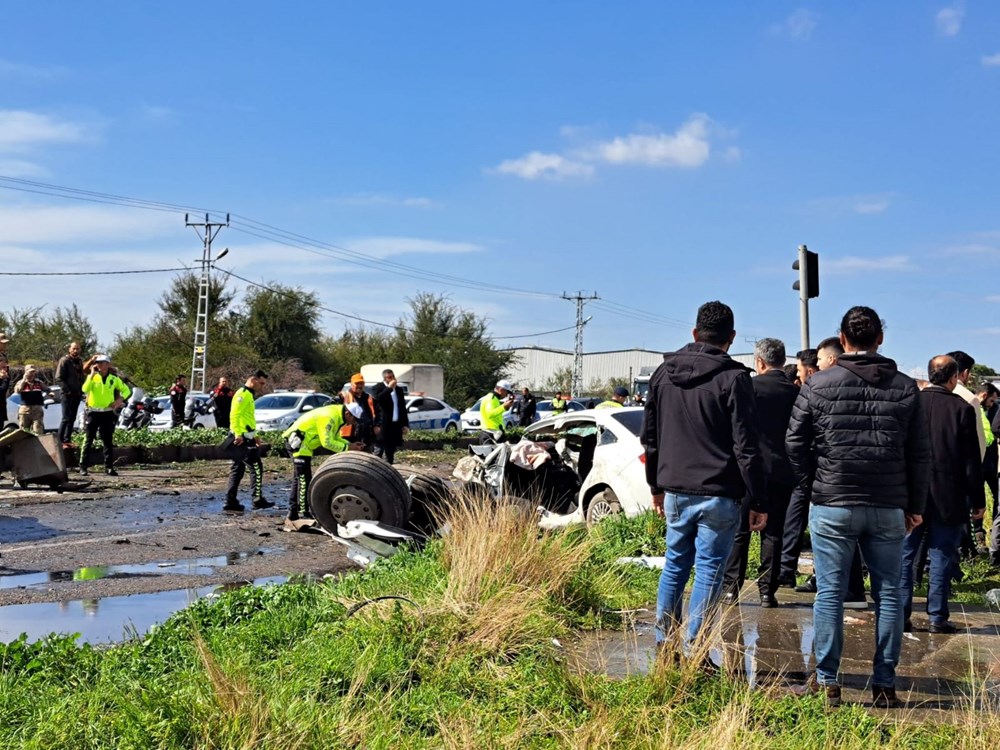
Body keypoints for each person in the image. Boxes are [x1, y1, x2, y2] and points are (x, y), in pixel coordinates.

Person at [787, 306, 930, 708]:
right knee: (889, 594)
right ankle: (884, 685)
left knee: (830, 593)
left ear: (842, 339)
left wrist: (813, 482)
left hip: (833, 501)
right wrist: (915, 504)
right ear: (880, 338)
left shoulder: (818, 384)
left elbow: (794, 443)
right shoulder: (905, 388)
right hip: (888, 503)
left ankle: (828, 682)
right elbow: (920, 453)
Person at [641, 301, 766, 658]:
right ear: (732, 337)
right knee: (710, 570)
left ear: (695, 333)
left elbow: (650, 438)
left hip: (675, 488)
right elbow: (747, 446)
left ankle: (665, 643)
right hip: (720, 492)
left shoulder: (663, 374)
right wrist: (758, 499)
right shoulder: (735, 379)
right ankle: (695, 649)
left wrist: (655, 487)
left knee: (675, 564)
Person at [901, 356, 984, 634]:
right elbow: (971, 461)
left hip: (912, 493)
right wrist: (978, 501)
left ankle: (900, 614)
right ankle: (937, 616)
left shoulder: (911, 404)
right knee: (941, 555)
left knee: (905, 554)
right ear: (954, 378)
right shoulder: (962, 409)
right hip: (949, 494)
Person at [722, 338, 798, 607]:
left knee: (740, 530)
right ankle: (767, 591)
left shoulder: (749, 387)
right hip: (781, 469)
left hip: (748, 469)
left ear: (759, 362)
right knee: (774, 532)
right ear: (783, 360)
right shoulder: (795, 392)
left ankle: (731, 588)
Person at [282, 401, 365, 523]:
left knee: (299, 479)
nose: (353, 423)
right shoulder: (329, 417)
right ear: (348, 413)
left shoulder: (338, 416)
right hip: (298, 442)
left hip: (305, 445)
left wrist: (349, 444)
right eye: (354, 420)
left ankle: (293, 513)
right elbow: (326, 442)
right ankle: (303, 513)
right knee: (304, 479)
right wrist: (347, 448)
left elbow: (335, 438)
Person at [223, 370, 275, 513]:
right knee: (256, 467)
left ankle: (230, 501)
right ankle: (257, 499)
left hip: (247, 436)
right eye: (261, 383)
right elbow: (234, 416)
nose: (262, 386)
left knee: (238, 468)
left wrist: (255, 435)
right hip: (242, 439)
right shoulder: (242, 394)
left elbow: (248, 419)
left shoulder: (249, 395)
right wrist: (238, 434)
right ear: (253, 380)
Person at [79, 355, 131, 477]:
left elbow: (127, 391)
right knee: (88, 439)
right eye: (97, 363)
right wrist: (91, 375)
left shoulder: (114, 379)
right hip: (93, 412)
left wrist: (119, 400)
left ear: (108, 364)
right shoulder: (92, 377)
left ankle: (109, 467)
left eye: (102, 362)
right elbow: (84, 389)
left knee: (107, 440)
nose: (99, 365)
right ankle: (83, 466)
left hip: (107, 413)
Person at [371, 368, 409, 464]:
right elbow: (379, 399)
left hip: (395, 425)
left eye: (393, 377)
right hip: (383, 424)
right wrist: (389, 388)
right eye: (389, 377)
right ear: (385, 378)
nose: (392, 379)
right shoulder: (378, 388)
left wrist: (405, 424)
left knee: (390, 452)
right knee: (378, 451)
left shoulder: (399, 390)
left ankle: (389, 469)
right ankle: (375, 469)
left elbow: (402, 408)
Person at [56, 341, 85, 447]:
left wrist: (81, 391)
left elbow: (81, 377)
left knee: (72, 418)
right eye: (74, 348)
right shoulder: (64, 360)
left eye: (77, 349)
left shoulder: (79, 361)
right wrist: (67, 390)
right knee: (65, 418)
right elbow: (59, 378)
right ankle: (59, 441)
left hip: (77, 394)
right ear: (69, 349)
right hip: (67, 394)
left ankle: (67, 440)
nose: (75, 351)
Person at [341, 373, 377, 451]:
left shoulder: (368, 397)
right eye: (357, 383)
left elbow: (378, 412)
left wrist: (377, 425)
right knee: (350, 456)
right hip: (349, 435)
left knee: (367, 456)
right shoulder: (344, 396)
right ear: (351, 384)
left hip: (367, 434)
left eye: (361, 383)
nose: (360, 386)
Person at [14, 365, 47, 434]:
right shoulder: (20, 382)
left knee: (38, 430)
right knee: (24, 431)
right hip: (25, 409)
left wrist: (50, 392)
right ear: (26, 372)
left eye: (33, 372)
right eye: (30, 372)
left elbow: (46, 389)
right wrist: (24, 380)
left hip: (37, 409)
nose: (32, 374)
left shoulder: (38, 382)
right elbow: (17, 391)